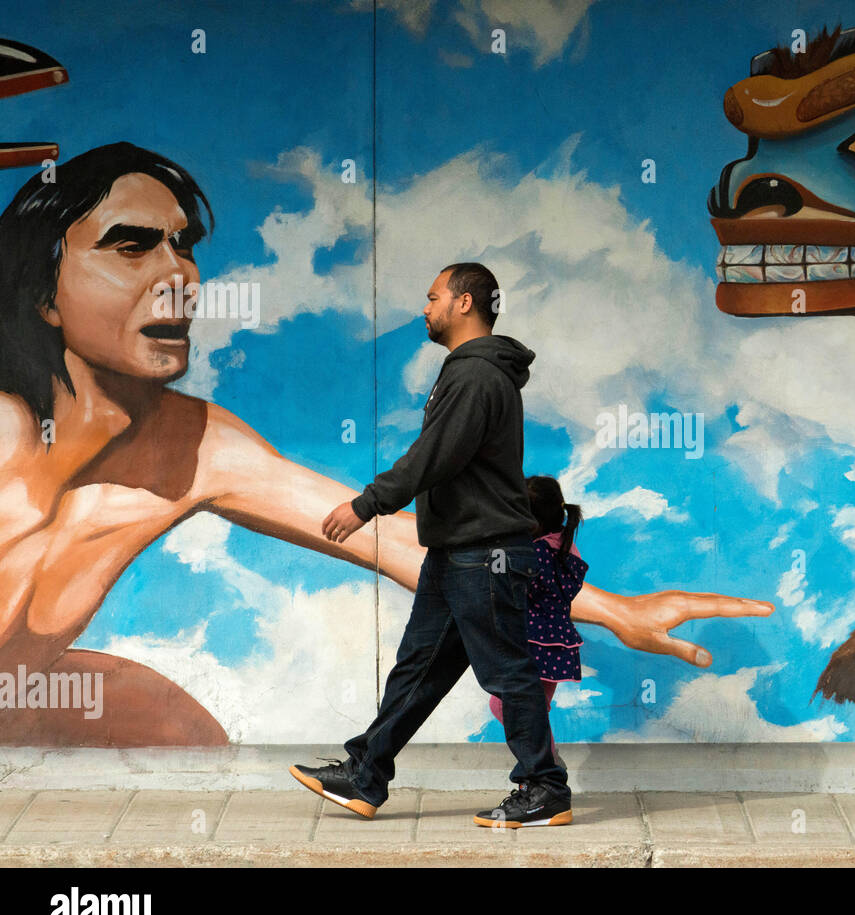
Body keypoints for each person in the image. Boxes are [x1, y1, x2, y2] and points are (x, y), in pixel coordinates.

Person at [0, 141, 773, 751]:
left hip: (22, 689)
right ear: (42, 290)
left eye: (183, 246)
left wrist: (613, 609)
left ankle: (386, 772)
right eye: (131, 247)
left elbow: (394, 540)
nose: (178, 275)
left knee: (179, 731)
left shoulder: (197, 444)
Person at [293, 262, 573, 826]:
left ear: (464, 302)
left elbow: (433, 455)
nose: (425, 308)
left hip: (485, 552)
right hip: (457, 552)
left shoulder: (474, 376)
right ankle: (366, 774)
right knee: (417, 668)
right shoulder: (470, 372)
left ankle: (544, 788)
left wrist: (365, 504)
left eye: (432, 296)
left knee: (508, 673)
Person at [484, 475, 586, 771]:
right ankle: (546, 765)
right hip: (557, 644)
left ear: (531, 523)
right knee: (535, 710)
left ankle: (546, 763)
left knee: (505, 705)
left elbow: (498, 580)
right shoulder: (566, 549)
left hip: (533, 643)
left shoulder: (533, 554)